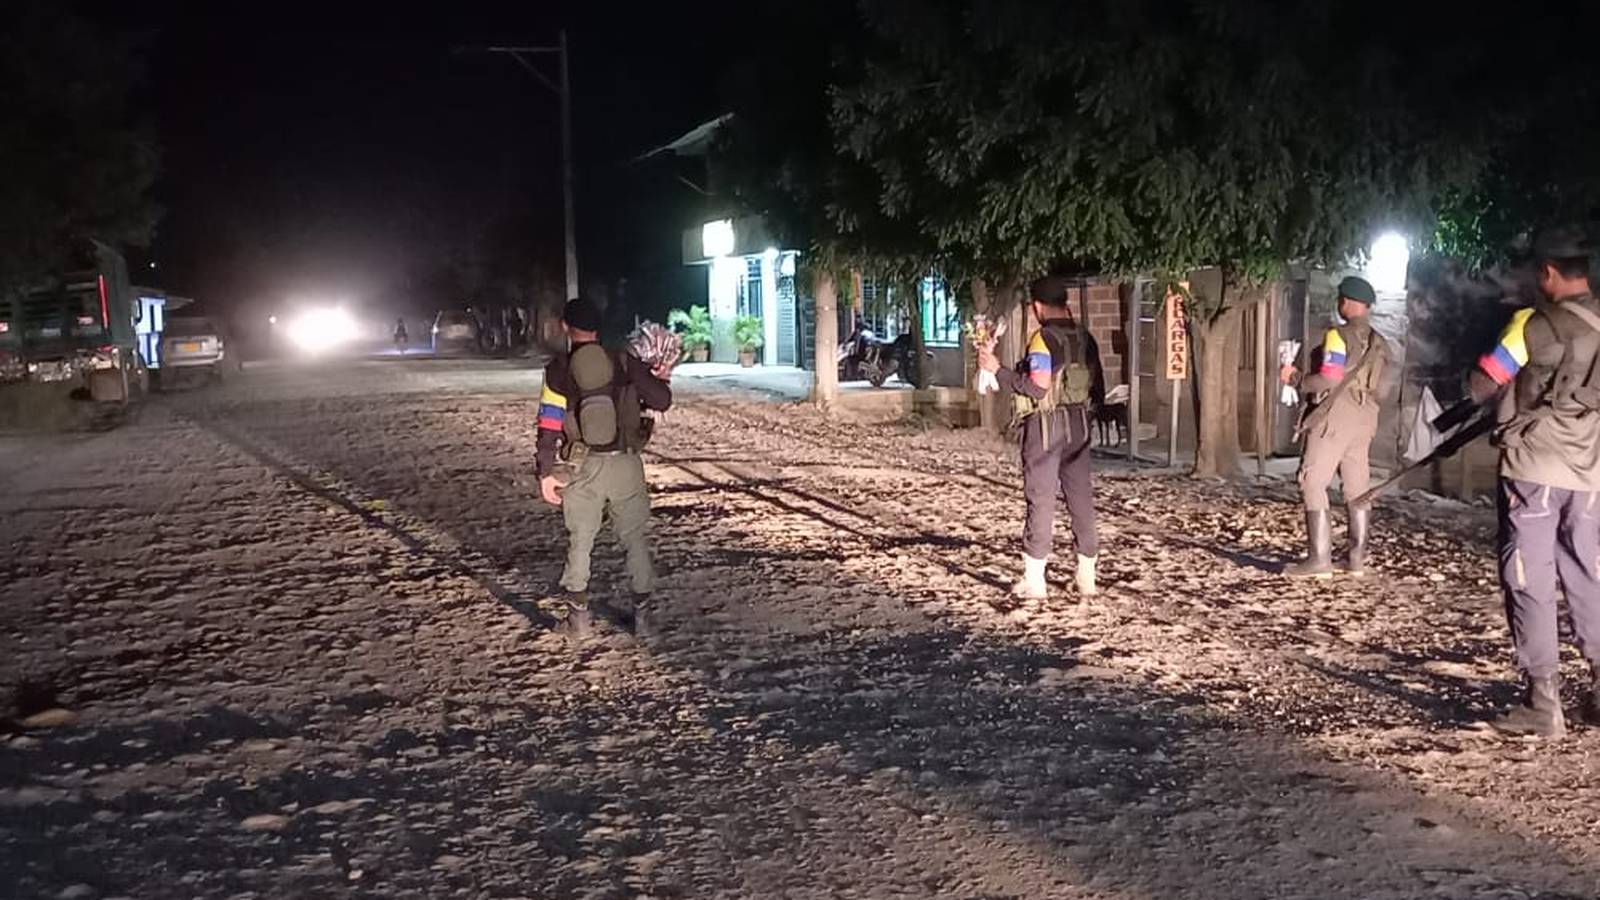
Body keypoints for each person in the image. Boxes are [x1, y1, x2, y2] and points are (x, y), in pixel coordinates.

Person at [1459, 226, 1600, 738]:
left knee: (1528, 577)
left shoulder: (1530, 324)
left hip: (1533, 471)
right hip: (1589, 472)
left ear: (1549, 273)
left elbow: (1482, 385)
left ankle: (1543, 702)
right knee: (1588, 574)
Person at [535, 297, 672, 635]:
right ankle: (643, 618)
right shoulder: (625, 362)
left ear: (566, 327)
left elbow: (549, 424)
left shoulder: (558, 370)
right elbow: (662, 400)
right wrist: (661, 378)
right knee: (634, 539)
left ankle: (578, 620)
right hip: (626, 463)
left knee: (580, 539)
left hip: (582, 466)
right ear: (598, 328)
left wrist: (545, 471)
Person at [978, 276, 1105, 599]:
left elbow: (1037, 387)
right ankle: (1087, 577)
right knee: (1081, 498)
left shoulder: (1042, 339)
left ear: (1037, 307)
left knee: (1041, 498)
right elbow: (1099, 390)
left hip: (1046, 427)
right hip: (1079, 424)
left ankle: (1035, 581)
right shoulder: (1086, 338)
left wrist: (997, 369)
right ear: (1065, 303)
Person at [1282, 276, 1387, 577]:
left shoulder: (1338, 336)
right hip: (1366, 414)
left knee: (1312, 481)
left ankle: (1319, 560)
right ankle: (1355, 559)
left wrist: (1296, 379)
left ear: (1347, 302)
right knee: (1357, 486)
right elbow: (1383, 386)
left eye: (1341, 299)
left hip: (1337, 414)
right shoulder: (1380, 342)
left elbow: (1329, 377)